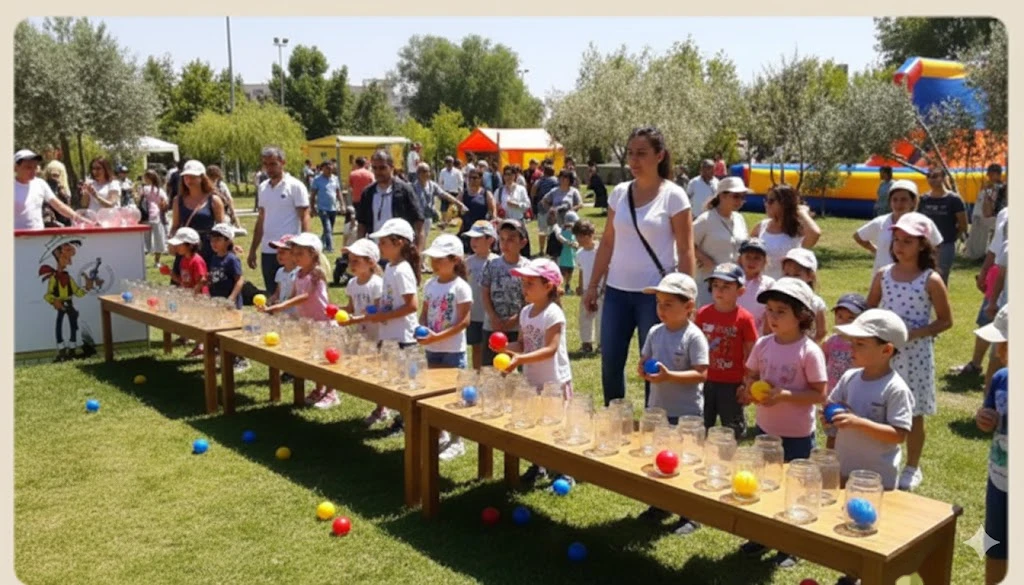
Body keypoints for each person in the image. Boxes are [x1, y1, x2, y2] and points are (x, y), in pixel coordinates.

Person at [583, 126, 696, 407]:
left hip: (656, 297)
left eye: (642, 154)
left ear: (660, 156)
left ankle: (653, 423)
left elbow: (685, 249)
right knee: (610, 363)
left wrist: (684, 297)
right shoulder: (619, 193)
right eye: (630, 153)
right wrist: (593, 285)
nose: (634, 160)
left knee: (653, 366)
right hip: (617, 292)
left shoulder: (674, 195)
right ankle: (614, 419)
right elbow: (607, 242)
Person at [738, 277, 827, 567]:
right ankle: (763, 536)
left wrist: (785, 395)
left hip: (798, 434)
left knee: (794, 488)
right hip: (766, 429)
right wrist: (748, 389)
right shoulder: (763, 345)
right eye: (770, 310)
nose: (772, 317)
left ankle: (790, 546)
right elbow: (749, 375)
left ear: (801, 316)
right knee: (764, 484)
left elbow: (818, 393)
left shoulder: (809, 351)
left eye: (781, 311)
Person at [867, 212, 953, 491]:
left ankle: (912, 467)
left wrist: (913, 334)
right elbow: (869, 309)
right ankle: (880, 459)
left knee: (914, 413)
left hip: (915, 355)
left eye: (907, 241)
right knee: (880, 406)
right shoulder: (883, 276)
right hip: (885, 353)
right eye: (896, 240)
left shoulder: (930, 280)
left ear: (922, 245)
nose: (900, 246)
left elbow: (945, 320)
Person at [636, 272, 709, 535]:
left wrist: (669, 376)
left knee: (685, 464)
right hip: (658, 411)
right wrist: (643, 369)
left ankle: (690, 514)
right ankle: (661, 505)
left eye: (668, 304)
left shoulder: (694, 336)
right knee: (660, 458)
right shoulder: (655, 332)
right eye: (659, 303)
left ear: (688, 307)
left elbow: (701, 373)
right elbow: (645, 360)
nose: (661, 310)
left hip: (686, 415)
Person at [495, 258, 575, 487]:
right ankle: (538, 467)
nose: (524, 288)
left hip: (554, 382)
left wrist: (519, 359)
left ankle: (564, 473)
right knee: (534, 426)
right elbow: (523, 344)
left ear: (548, 286)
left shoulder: (553, 314)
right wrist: (506, 349)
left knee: (556, 427)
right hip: (532, 380)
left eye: (530, 283)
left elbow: (550, 349)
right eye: (524, 283)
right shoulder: (526, 312)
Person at [822, 308, 913, 488]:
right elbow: (831, 406)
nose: (851, 348)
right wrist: (827, 417)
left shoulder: (895, 388)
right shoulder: (849, 377)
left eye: (860, 344)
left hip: (877, 479)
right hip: (844, 468)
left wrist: (858, 423)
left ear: (886, 350)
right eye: (852, 342)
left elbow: (898, 435)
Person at [357, 218, 421, 434]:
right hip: (390, 333)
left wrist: (385, 315)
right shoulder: (391, 268)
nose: (380, 246)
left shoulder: (402, 270)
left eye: (384, 242)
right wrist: (377, 312)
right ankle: (401, 421)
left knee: (404, 382)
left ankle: (406, 423)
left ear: (399, 243)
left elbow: (412, 305)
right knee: (394, 379)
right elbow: (392, 301)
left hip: (403, 337)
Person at [262, 233, 337, 408]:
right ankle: (319, 389)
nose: (296, 257)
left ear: (313, 254)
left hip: (323, 323)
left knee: (326, 360)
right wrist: (273, 304)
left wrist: (281, 307)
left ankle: (331, 393)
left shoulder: (316, 273)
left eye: (300, 254)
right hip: (308, 323)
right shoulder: (299, 274)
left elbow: (304, 296)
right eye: (294, 253)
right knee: (314, 358)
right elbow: (294, 294)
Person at [418, 234, 473, 460]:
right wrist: (421, 329)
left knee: (454, 395)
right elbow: (424, 313)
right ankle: (439, 435)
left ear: (455, 260)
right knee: (433, 393)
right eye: (433, 259)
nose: (435, 263)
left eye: (441, 259)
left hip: (452, 351)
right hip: (433, 348)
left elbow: (464, 321)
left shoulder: (460, 287)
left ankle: (456, 440)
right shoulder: (430, 285)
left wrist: (438, 336)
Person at [696, 263, 757, 440]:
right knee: (701, 427)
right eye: (715, 285)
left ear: (740, 291)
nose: (719, 291)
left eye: (726, 286)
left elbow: (752, 352)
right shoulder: (702, 314)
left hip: (732, 383)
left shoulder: (745, 318)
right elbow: (694, 345)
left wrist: (747, 383)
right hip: (706, 380)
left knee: (732, 431)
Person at [973, 305, 1009, 585]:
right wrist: (985, 420)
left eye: (1005, 347)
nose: (998, 354)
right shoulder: (1001, 379)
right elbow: (989, 418)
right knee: (995, 543)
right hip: (999, 478)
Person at [248, 147, 311, 292]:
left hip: (289, 249)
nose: (268, 168)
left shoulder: (295, 186)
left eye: (272, 164)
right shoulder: (263, 187)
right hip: (268, 250)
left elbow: (305, 216)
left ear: (283, 162)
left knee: (292, 293)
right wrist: (253, 249)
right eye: (265, 164)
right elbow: (261, 219)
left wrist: (306, 245)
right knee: (272, 293)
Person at [854, 179, 942, 275]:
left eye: (904, 199)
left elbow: (936, 244)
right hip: (884, 279)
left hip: (914, 277)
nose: (898, 204)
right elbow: (858, 236)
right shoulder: (881, 222)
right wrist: (874, 250)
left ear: (913, 201)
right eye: (894, 200)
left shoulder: (924, 222)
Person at [480, 220, 531, 369]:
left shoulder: (528, 267)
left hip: (518, 328)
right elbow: (485, 292)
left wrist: (515, 319)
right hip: (492, 326)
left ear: (522, 243)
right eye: (502, 239)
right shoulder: (492, 264)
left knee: (516, 368)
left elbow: (529, 298)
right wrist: (493, 317)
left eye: (511, 240)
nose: (505, 244)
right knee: (490, 369)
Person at [693, 176, 751, 307]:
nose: (740, 201)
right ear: (722, 196)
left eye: (743, 197)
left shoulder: (739, 218)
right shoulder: (706, 219)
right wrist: (705, 259)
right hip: (708, 283)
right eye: (736, 196)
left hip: (733, 283)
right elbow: (687, 243)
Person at [339, 239, 384, 400]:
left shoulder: (377, 284)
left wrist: (355, 319)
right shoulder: (352, 283)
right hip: (362, 334)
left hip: (377, 335)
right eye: (350, 261)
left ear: (371, 262)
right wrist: (335, 310)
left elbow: (379, 311)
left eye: (356, 261)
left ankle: (382, 407)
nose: (351, 264)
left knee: (378, 371)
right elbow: (351, 308)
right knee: (366, 371)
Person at [356, 150, 425, 256]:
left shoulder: (405, 190)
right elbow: (361, 226)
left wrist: (418, 254)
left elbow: (419, 225)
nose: (378, 172)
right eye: (374, 168)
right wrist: (360, 250)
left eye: (382, 168)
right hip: (374, 254)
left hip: (400, 254)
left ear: (392, 167)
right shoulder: (368, 193)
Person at [749, 183, 821, 279]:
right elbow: (747, 254)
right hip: (762, 285)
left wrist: (802, 212)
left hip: (786, 286)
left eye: (771, 201)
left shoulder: (798, 230)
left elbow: (815, 233)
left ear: (785, 204)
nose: (766, 204)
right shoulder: (761, 226)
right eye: (766, 200)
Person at [205, 223, 249, 372]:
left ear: (228, 241)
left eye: (218, 239)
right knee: (221, 330)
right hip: (217, 300)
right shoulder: (214, 258)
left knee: (233, 331)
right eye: (212, 240)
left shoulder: (231, 259)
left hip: (230, 302)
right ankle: (227, 358)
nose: (214, 243)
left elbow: (240, 279)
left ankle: (241, 359)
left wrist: (232, 297)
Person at [170, 160, 226, 270]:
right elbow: (175, 226)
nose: (189, 179)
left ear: (202, 177)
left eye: (193, 176)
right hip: (186, 248)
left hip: (208, 248)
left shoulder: (214, 200)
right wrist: (173, 242)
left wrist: (225, 249)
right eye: (186, 176)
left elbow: (222, 229)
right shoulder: (178, 201)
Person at [917, 168, 967, 284]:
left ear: (944, 178)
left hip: (945, 245)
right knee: (922, 276)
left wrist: (952, 237)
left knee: (941, 277)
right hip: (925, 245)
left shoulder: (954, 200)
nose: (931, 179)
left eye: (935, 176)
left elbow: (963, 224)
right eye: (929, 176)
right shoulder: (923, 199)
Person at [14, 150, 82, 229]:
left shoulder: (40, 184)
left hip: (39, 238)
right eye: (28, 167)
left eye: (35, 167)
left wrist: (81, 219)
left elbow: (59, 206)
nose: (33, 171)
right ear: (16, 167)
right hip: (16, 238)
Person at [463, 221, 499, 371]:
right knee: (476, 347)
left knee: (492, 348)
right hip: (474, 314)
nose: (473, 242)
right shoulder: (467, 263)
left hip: (490, 315)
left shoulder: (496, 262)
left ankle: (492, 375)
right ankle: (477, 374)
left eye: (477, 238)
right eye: (471, 238)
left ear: (490, 239)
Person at [414, 162, 464, 256]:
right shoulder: (413, 187)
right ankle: (418, 261)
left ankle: (422, 261)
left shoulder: (432, 185)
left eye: (428, 171)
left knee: (424, 239)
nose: (427, 174)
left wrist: (458, 203)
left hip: (428, 217)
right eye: (424, 171)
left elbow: (444, 194)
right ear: (418, 173)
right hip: (417, 218)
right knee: (418, 240)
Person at [821, 293, 868, 393]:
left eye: (851, 318)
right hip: (832, 389)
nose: (844, 321)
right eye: (840, 316)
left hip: (855, 389)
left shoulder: (863, 343)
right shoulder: (831, 341)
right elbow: (822, 362)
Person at [781, 248, 828, 344]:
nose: (791, 279)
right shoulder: (778, 300)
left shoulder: (816, 302)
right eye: (787, 274)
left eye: (797, 275)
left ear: (810, 276)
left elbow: (822, 331)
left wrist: (811, 345)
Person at [965, 163, 1004, 260]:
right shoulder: (987, 186)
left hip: (989, 216)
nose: (989, 176)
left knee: (984, 237)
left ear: (997, 174)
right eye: (989, 174)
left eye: (992, 174)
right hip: (978, 214)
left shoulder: (1000, 188)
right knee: (976, 236)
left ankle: (981, 255)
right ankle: (974, 255)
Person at [735, 238, 775, 336]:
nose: (752, 261)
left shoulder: (769, 284)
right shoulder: (732, 281)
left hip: (757, 336)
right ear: (740, 259)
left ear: (764, 261)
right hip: (733, 334)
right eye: (747, 257)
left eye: (757, 258)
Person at [574, 220, 602, 354]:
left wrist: (604, 287)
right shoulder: (579, 253)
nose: (578, 240)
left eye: (579, 236)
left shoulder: (600, 250)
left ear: (588, 236)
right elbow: (581, 270)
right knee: (585, 316)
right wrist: (580, 286)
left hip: (601, 289)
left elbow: (607, 269)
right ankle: (586, 342)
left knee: (600, 317)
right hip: (586, 289)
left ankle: (601, 343)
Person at [456, 166, 496, 246]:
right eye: (469, 178)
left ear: (480, 179)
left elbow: (493, 214)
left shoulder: (486, 194)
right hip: (466, 231)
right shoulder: (462, 194)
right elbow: (455, 213)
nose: (471, 180)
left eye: (474, 178)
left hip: (482, 231)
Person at [139, 170, 169, 267]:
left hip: (145, 216)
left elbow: (138, 201)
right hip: (157, 216)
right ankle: (157, 262)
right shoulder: (160, 191)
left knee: (145, 240)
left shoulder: (144, 189)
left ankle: (142, 261)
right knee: (158, 239)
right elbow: (165, 204)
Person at [311, 160, 343, 253]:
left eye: (331, 168)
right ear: (322, 169)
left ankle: (320, 243)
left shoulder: (335, 179)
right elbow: (313, 195)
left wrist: (342, 204)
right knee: (328, 228)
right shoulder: (317, 180)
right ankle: (330, 248)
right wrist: (312, 207)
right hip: (322, 208)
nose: (329, 170)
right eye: (327, 168)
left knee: (328, 229)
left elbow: (338, 192)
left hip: (333, 208)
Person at [266, 235, 298, 317]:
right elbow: (278, 292)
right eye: (278, 252)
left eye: (282, 252)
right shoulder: (280, 272)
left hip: (296, 313)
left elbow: (296, 295)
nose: (279, 255)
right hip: (282, 313)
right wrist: (269, 302)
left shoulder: (299, 272)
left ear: (294, 254)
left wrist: (281, 305)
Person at [531, 163, 558, 247]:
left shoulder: (539, 181)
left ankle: (542, 250)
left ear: (544, 172)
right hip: (553, 207)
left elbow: (533, 192)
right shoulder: (556, 180)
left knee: (542, 230)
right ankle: (551, 248)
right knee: (553, 229)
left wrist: (534, 201)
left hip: (542, 208)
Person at [206, 165, 241, 231]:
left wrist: (234, 216)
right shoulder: (203, 187)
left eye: (215, 179)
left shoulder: (221, 185)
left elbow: (229, 200)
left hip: (223, 213)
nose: (214, 181)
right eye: (212, 178)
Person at [42, 160, 74, 227]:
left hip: (63, 224)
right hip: (52, 226)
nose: (55, 176)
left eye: (57, 174)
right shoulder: (45, 188)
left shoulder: (63, 189)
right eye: (53, 174)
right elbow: (47, 209)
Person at [438, 156, 464, 226]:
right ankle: (444, 221)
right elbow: (440, 182)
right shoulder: (442, 171)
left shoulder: (457, 172)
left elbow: (461, 182)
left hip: (455, 192)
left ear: (453, 163)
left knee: (455, 209)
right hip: (445, 192)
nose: (449, 164)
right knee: (444, 208)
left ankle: (454, 221)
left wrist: (460, 192)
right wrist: (440, 192)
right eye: (447, 162)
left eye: (450, 162)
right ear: (445, 163)